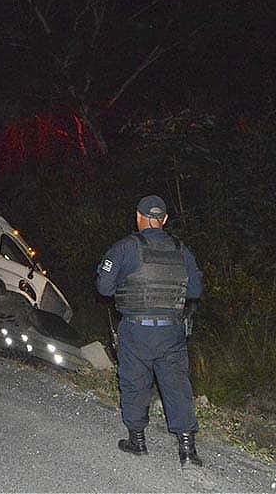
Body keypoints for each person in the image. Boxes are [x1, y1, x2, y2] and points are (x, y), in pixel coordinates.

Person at [96, 195, 204, 466]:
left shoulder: (125, 248)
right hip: (172, 332)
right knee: (178, 386)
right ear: (165, 220)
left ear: (138, 216)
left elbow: (103, 288)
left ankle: (137, 441)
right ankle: (188, 449)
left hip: (136, 330)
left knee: (134, 382)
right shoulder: (182, 250)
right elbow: (196, 291)